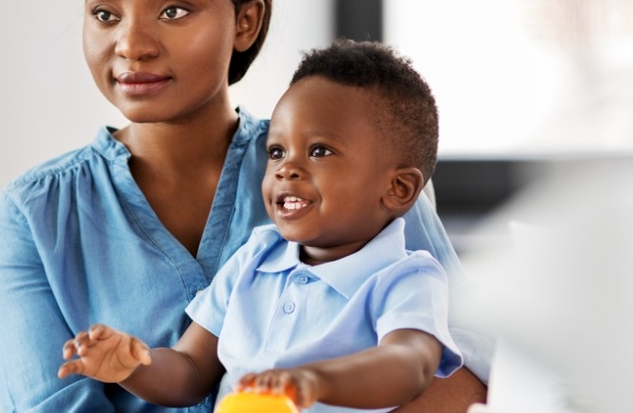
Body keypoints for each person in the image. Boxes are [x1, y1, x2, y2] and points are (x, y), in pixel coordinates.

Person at [0, 0, 489, 412]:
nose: (131, 44)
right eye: (105, 14)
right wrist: (133, 364)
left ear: (246, 21)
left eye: (174, 10)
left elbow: (465, 370)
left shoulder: (362, 171)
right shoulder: (34, 216)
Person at [58, 39, 463, 412]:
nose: (287, 168)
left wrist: (315, 380)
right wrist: (134, 366)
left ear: (398, 188)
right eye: (276, 150)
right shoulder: (256, 257)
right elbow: (189, 372)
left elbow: (408, 365)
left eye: (319, 151)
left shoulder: (407, 277)